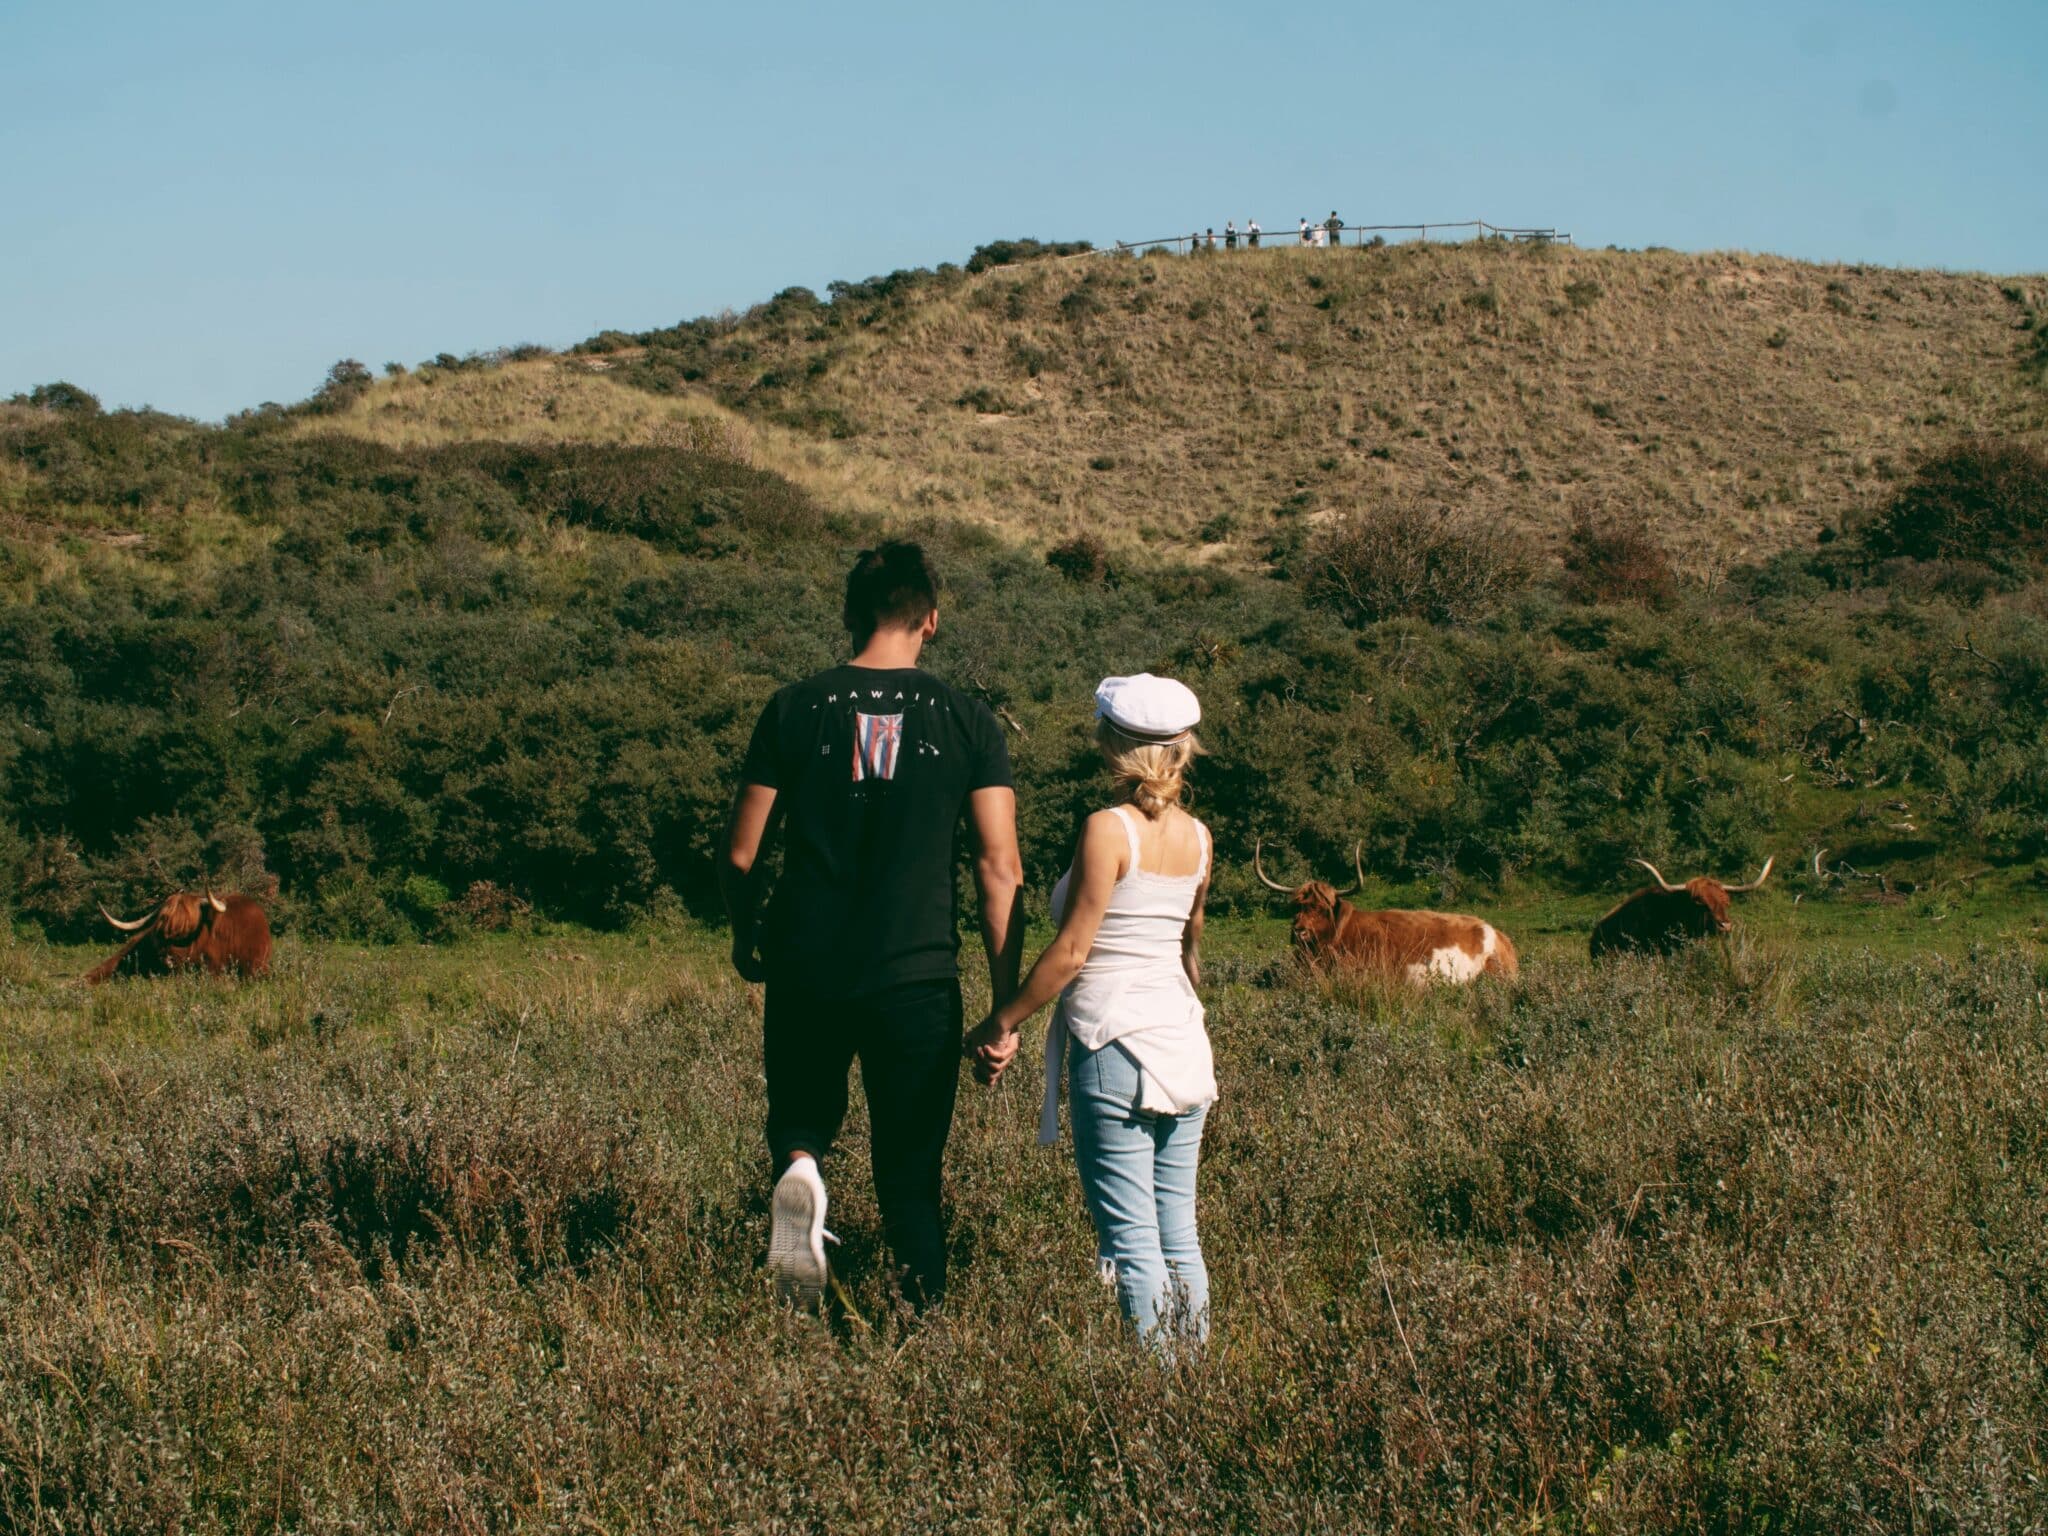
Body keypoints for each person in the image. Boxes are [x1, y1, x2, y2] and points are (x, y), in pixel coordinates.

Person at [723, 540, 1024, 1311]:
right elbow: (1000, 870)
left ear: (850, 614)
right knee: (910, 1177)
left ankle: (801, 1171)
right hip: (916, 977)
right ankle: (915, 1340)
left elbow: (741, 851)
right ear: (931, 619)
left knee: (799, 1120)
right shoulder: (968, 721)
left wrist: (745, 934)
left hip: (806, 962)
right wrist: (1002, 1005)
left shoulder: (791, 708)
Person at [967, 675, 1216, 1351]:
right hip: (1183, 1046)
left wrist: (1001, 1021)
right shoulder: (1201, 839)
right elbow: (1189, 954)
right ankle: (1195, 1384)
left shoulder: (1106, 831)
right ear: (1182, 750)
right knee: (1178, 1235)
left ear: (1113, 746)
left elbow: (1073, 951)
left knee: (1132, 1243)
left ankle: (1156, 1398)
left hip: (1113, 1046)